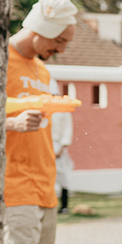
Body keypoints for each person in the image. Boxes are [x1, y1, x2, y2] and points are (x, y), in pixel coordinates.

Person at [4, 0, 77, 244]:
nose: (61, 48)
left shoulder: (42, 69)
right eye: (60, 40)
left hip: (44, 182)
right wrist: (12, 124)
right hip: (11, 182)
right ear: (40, 30)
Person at [50, 84, 73, 215]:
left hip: (59, 147)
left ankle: (64, 205)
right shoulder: (45, 111)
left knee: (63, 176)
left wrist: (62, 149)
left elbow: (67, 130)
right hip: (46, 146)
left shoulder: (64, 112)